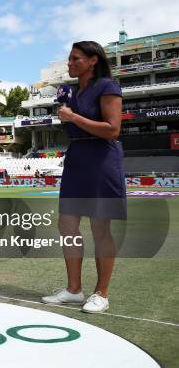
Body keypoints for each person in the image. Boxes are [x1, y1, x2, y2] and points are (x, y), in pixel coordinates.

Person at [42, 41, 125, 314]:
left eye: (75, 59)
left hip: (101, 160)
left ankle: (102, 292)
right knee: (67, 225)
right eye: (69, 59)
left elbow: (113, 130)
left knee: (100, 228)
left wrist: (74, 118)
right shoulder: (73, 92)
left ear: (92, 61)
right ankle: (74, 290)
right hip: (77, 158)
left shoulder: (107, 86)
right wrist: (68, 117)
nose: (69, 63)